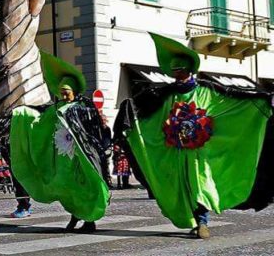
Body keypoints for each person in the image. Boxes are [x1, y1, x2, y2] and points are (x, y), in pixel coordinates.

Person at [114, 33, 274, 239]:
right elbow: (151, 117)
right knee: (182, 188)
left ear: (189, 70)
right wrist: (130, 113)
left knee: (200, 185)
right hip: (176, 153)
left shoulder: (207, 91)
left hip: (200, 154)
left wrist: (261, 101)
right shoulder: (167, 96)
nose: (176, 75)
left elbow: (230, 102)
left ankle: (202, 222)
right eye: (174, 72)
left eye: (180, 71)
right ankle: (192, 219)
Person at [9, 52, 110, 233]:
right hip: (62, 159)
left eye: (67, 92)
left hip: (81, 159)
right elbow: (39, 123)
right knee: (66, 188)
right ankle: (75, 215)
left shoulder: (84, 108)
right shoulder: (55, 109)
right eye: (62, 93)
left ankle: (89, 220)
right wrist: (22, 115)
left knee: (84, 187)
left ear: (75, 91)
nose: (64, 95)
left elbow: (94, 131)